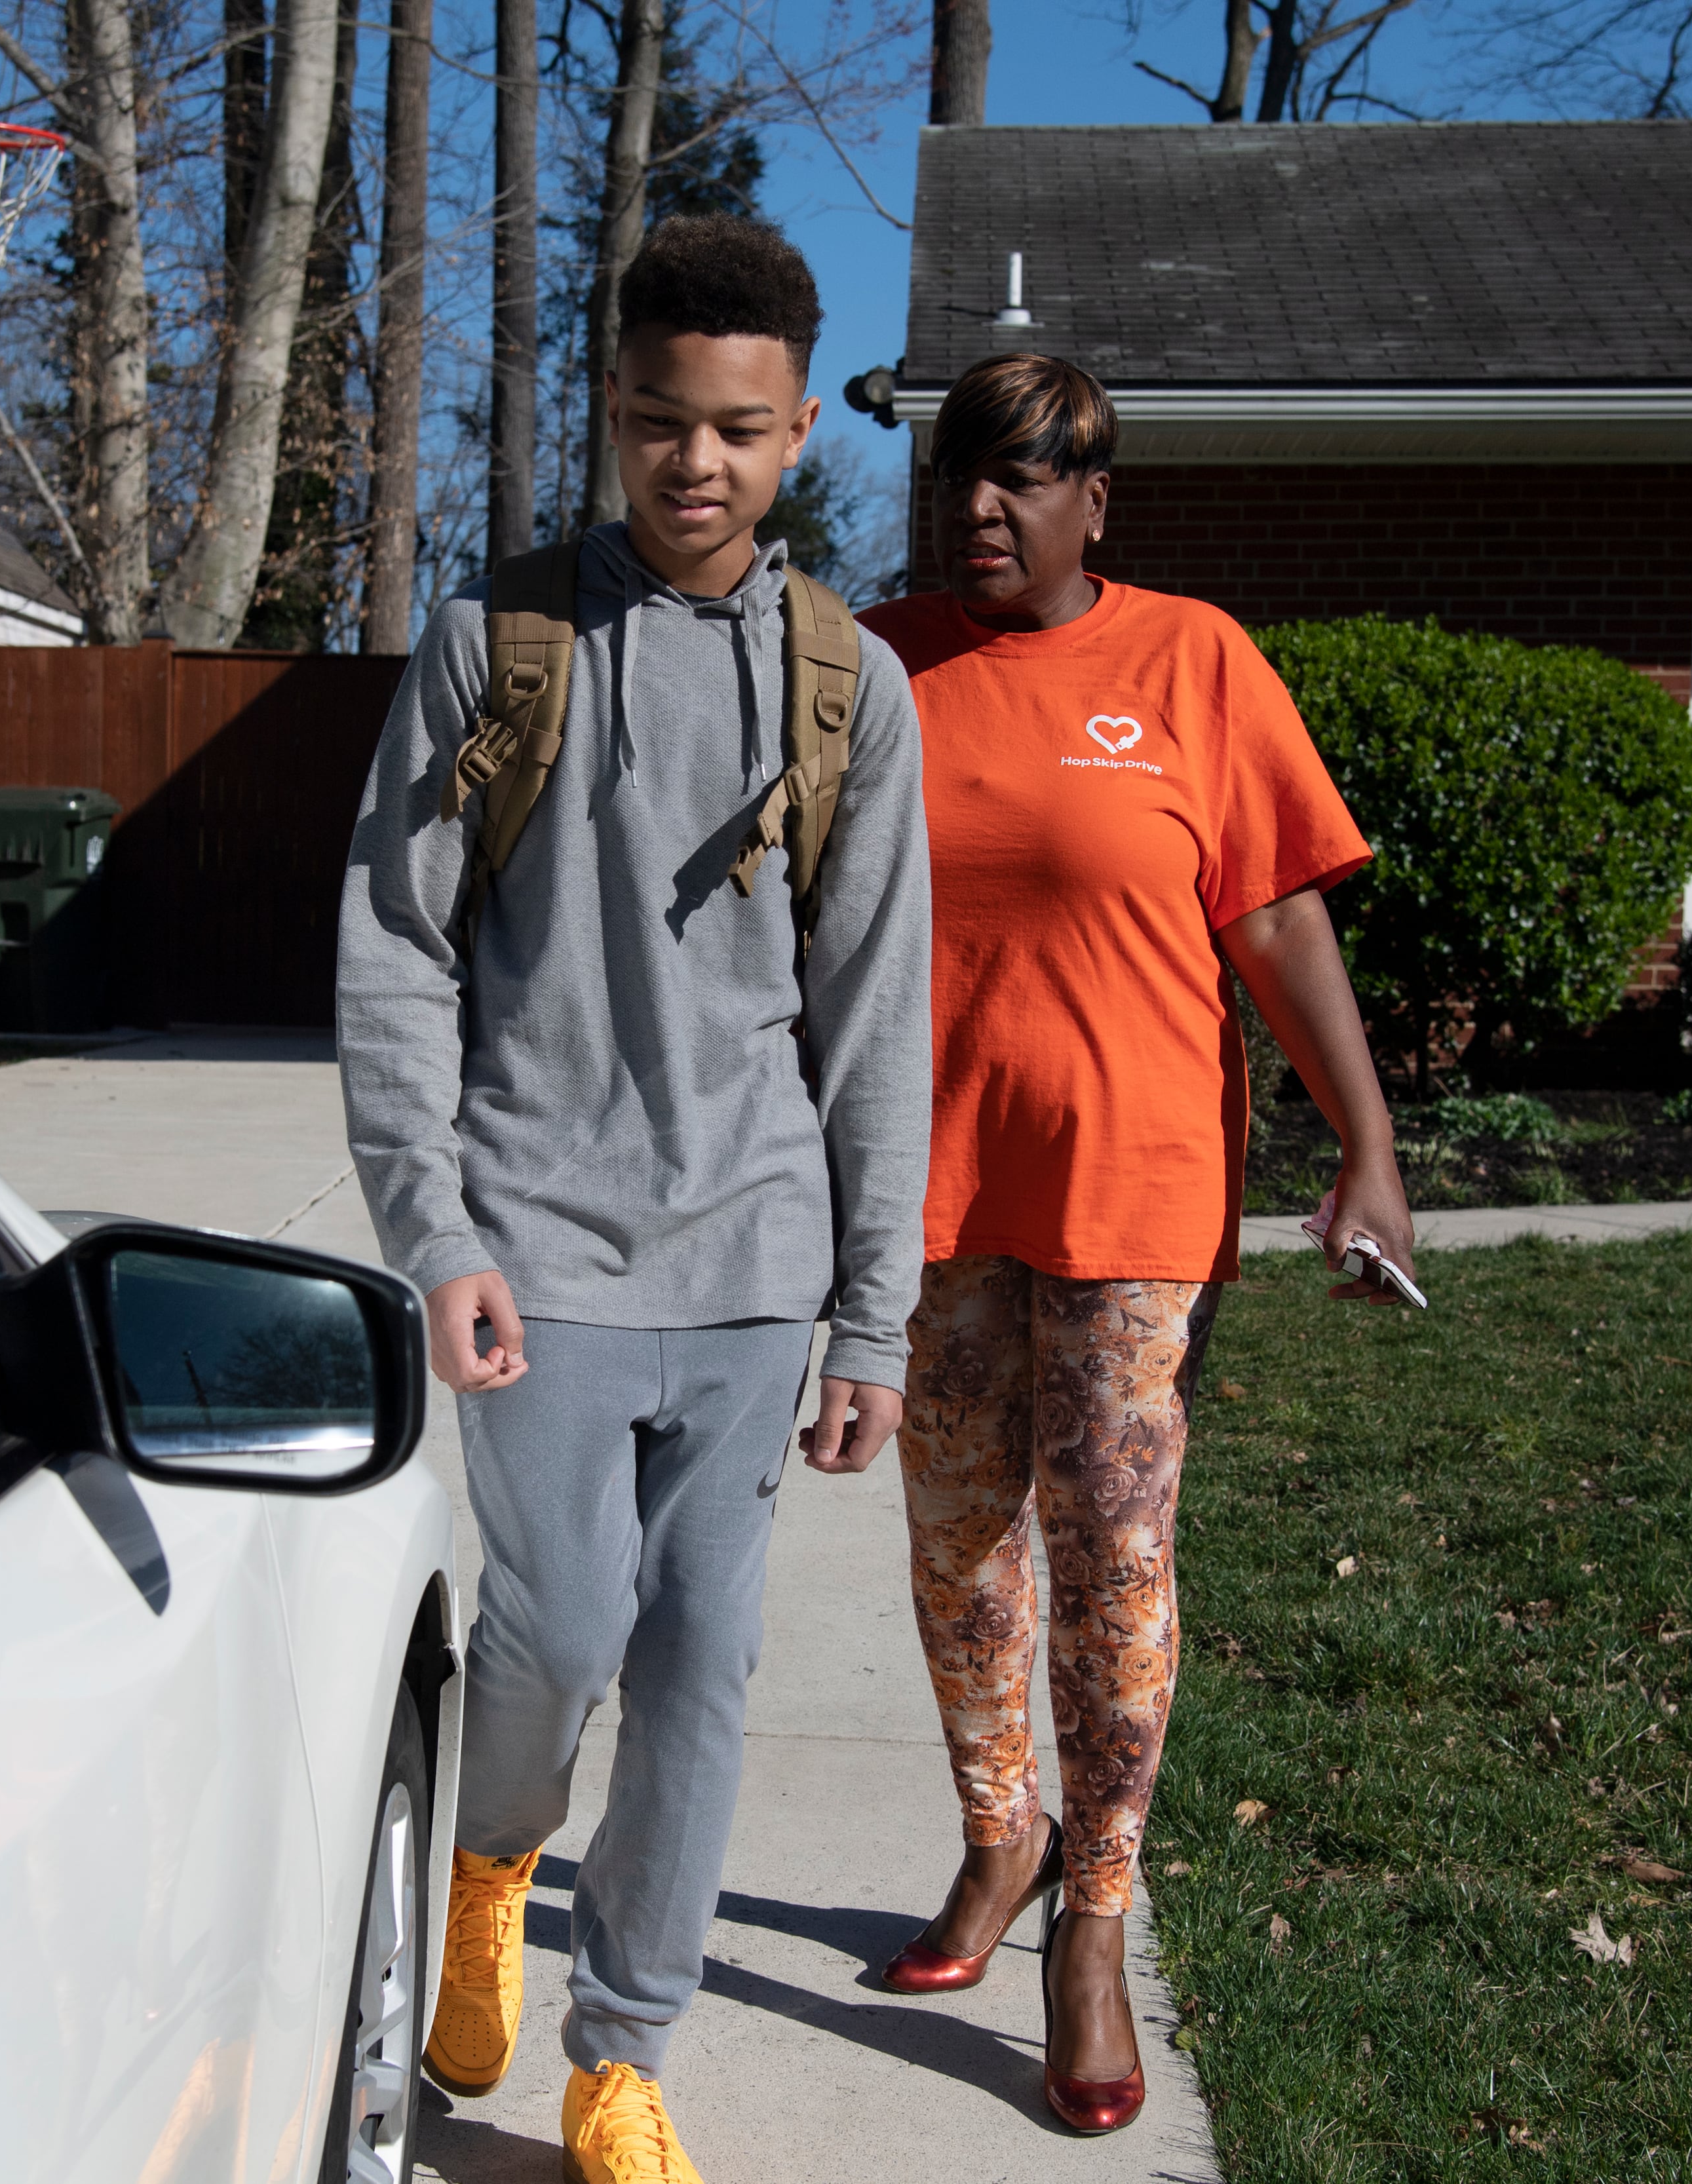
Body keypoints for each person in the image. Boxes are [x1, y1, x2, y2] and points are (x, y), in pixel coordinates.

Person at [338, 214, 931, 2183]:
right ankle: (495, 1855)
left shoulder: (852, 687)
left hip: (754, 1263)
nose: (700, 464)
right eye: (663, 423)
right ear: (614, 415)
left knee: (698, 1655)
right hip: (537, 1247)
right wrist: (435, 1232)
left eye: (742, 431)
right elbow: (396, 951)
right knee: (561, 1626)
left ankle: (621, 2051)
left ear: (791, 437)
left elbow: (873, 1016)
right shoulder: (495, 643)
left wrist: (870, 1317)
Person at [854, 353, 1418, 2136]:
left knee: (1111, 1558)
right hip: (929, 1193)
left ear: (1100, 498)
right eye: (961, 480)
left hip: (1131, 1188)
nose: (983, 513)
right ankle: (996, 1830)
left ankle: (1091, 1918)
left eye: (1021, 482)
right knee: (959, 1551)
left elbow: (1279, 916)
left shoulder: (1193, 662)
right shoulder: (874, 666)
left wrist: (1370, 1145)